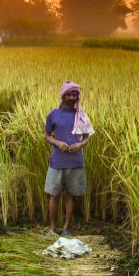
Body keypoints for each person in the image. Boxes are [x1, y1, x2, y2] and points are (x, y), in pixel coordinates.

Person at [44, 81, 94, 237]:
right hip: (57, 162)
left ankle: (66, 228)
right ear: (63, 95)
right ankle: (52, 228)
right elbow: (46, 136)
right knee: (54, 195)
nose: (73, 97)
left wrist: (80, 145)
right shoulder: (53, 114)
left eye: (75, 95)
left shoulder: (81, 115)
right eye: (70, 94)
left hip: (76, 162)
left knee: (71, 195)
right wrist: (58, 142)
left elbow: (86, 138)